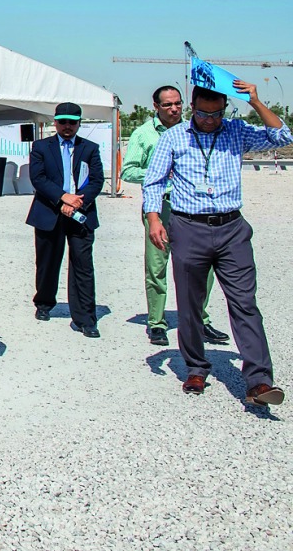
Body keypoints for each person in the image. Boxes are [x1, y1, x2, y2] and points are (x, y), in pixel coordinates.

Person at [143, 82, 291, 405]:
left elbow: (283, 136)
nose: (210, 120)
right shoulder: (174, 137)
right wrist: (154, 219)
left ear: (225, 109)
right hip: (188, 227)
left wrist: (255, 101)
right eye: (203, 113)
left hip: (231, 229)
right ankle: (196, 367)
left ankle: (259, 382)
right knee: (190, 304)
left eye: (216, 114)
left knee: (244, 303)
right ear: (191, 108)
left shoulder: (237, 131)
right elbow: (153, 181)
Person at [121, 85, 227, 347]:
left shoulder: (195, 129)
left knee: (203, 266)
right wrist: (160, 172)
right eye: (167, 105)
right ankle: (157, 323)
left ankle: (200, 319)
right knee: (157, 266)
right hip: (162, 206)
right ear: (156, 106)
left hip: (195, 208)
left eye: (178, 103)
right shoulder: (144, 134)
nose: (174, 109)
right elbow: (128, 171)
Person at [26, 102, 104, 338]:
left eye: (72, 122)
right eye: (63, 122)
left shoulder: (90, 148)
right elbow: (38, 178)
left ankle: (85, 318)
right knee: (47, 262)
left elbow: (96, 180)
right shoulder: (41, 147)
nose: (67, 126)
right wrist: (63, 198)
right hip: (50, 212)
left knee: (83, 265)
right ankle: (44, 302)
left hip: (81, 213)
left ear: (79, 123)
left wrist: (77, 202)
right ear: (55, 122)